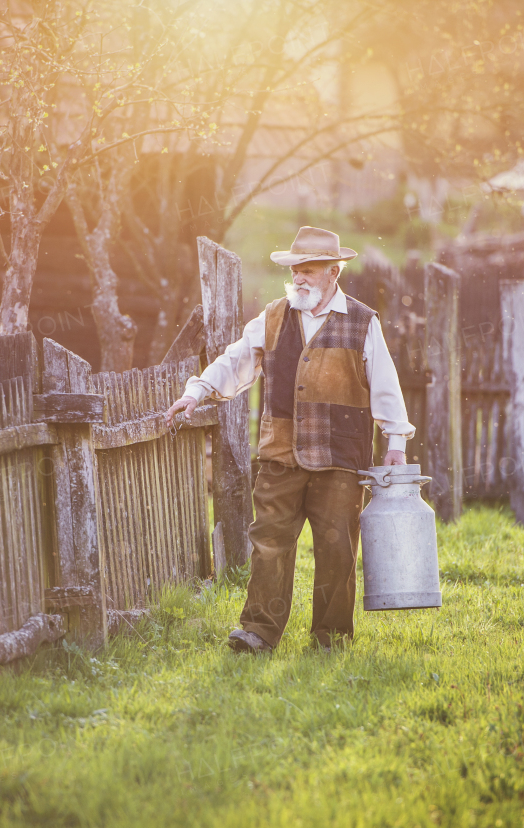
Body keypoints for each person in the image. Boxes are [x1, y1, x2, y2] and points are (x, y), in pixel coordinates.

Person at [164, 227, 414, 653]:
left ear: (334, 272)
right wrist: (196, 391)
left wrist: (396, 442)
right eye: (295, 269)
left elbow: (386, 386)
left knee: (337, 550)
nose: (299, 277)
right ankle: (258, 632)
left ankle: (330, 638)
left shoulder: (363, 322)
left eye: (309, 270)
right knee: (269, 542)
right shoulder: (273, 316)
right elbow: (235, 360)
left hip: (340, 457)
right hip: (280, 455)